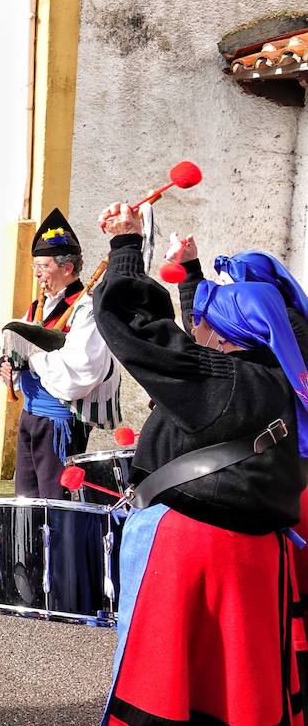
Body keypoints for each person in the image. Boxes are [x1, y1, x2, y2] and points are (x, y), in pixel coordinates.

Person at [91, 203, 306, 726]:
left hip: (195, 558)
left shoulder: (224, 382)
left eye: (206, 324)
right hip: (256, 564)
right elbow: (197, 349)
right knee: (238, 695)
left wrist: (125, 248)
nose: (197, 331)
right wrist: (190, 275)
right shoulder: (281, 373)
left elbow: (140, 332)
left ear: (227, 337)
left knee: (168, 695)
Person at [0, 209, 119, 498]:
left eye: (43, 266)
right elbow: (17, 347)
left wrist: (33, 359)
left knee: (55, 505)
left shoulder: (87, 310)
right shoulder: (37, 307)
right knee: (26, 502)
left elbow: (82, 370)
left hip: (59, 423)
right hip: (30, 416)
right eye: (35, 266)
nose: (37, 273)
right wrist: (8, 365)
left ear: (67, 268)